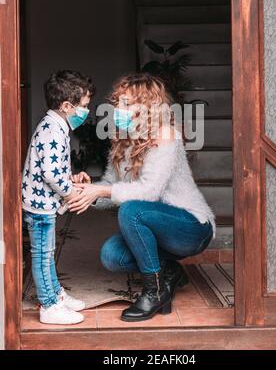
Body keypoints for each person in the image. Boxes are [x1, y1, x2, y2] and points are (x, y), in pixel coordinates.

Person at [68, 73, 216, 322]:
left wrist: (102, 191)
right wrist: (89, 189)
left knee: (131, 211)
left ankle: (154, 292)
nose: (118, 109)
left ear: (147, 107)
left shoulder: (166, 135)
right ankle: (169, 272)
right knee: (111, 256)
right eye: (117, 103)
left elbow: (149, 192)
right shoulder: (123, 141)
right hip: (155, 226)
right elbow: (111, 187)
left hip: (191, 227)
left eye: (126, 104)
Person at [22, 70, 95, 325]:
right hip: (39, 207)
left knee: (48, 253)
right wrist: (71, 191)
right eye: (84, 106)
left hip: (44, 203)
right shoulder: (52, 129)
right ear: (67, 106)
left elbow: (54, 168)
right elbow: (52, 175)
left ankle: (56, 295)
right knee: (42, 254)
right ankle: (48, 305)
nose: (86, 111)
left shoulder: (56, 125)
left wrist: (71, 178)